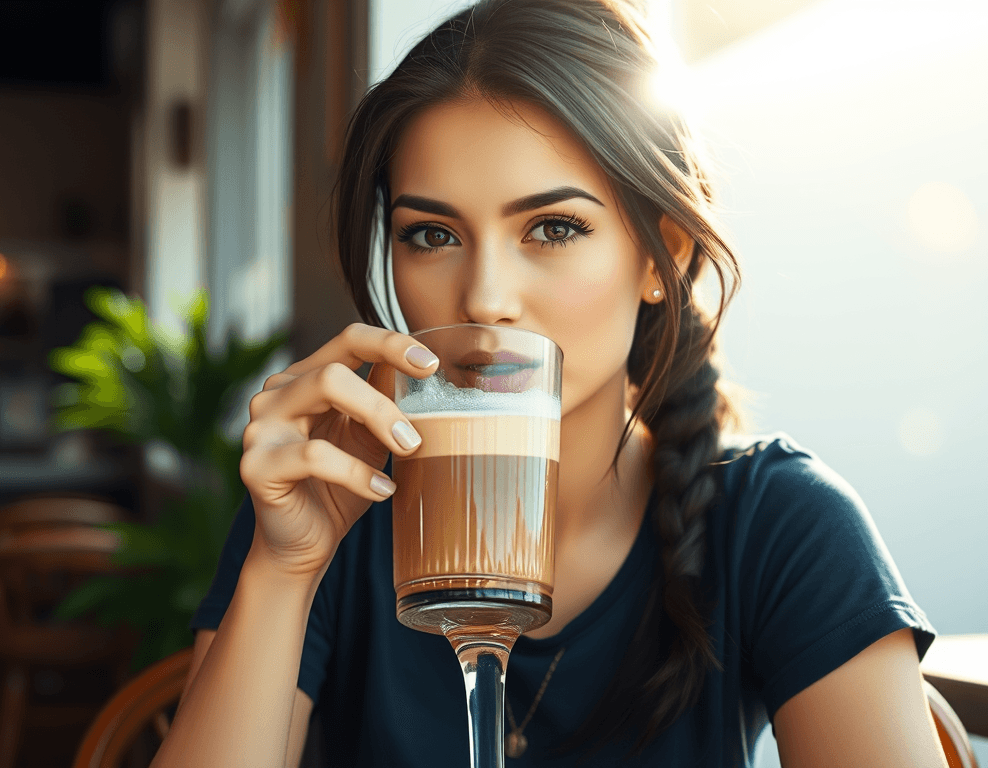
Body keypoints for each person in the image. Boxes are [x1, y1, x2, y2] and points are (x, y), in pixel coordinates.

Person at [155, 1, 946, 766]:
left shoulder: (781, 524)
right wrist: (283, 571)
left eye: (553, 228)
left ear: (658, 255)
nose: (486, 296)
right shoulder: (334, 507)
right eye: (431, 235)